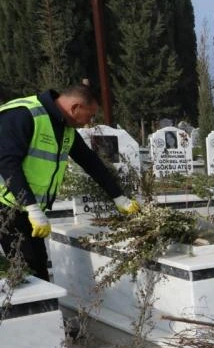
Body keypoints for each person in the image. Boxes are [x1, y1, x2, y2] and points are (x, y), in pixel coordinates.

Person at [0, 84, 139, 281]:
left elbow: (90, 161)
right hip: (6, 205)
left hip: (22, 208)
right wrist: (31, 207)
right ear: (75, 108)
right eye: (89, 116)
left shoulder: (64, 127)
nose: (89, 123)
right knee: (28, 268)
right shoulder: (24, 115)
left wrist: (119, 197)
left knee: (35, 265)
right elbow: (7, 163)